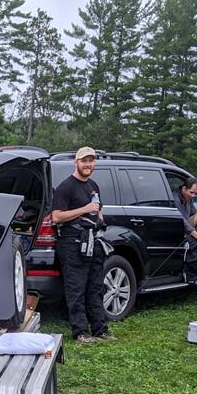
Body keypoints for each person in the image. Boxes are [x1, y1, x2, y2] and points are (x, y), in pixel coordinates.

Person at [52, 146, 115, 344]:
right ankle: (80, 332)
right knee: (76, 289)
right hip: (71, 244)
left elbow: (98, 210)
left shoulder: (93, 186)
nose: (88, 164)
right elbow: (56, 216)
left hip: (93, 242)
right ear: (76, 162)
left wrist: (99, 219)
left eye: (91, 161)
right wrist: (85, 209)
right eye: (84, 161)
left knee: (95, 287)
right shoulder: (66, 187)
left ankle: (100, 329)